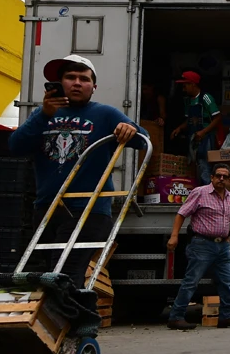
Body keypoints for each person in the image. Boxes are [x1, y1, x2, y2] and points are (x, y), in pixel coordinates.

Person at [9, 54, 149, 284]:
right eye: (70, 77)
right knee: (53, 272)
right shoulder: (41, 114)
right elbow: (15, 147)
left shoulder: (105, 114)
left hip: (89, 208)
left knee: (65, 270)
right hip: (48, 206)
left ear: (93, 87)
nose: (76, 83)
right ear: (60, 83)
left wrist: (129, 128)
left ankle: (75, 318)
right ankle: (79, 316)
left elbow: (144, 139)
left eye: (83, 79)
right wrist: (44, 114)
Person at [166, 163, 230, 330]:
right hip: (202, 244)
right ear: (212, 177)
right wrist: (174, 236)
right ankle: (176, 317)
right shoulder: (200, 193)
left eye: (225, 176)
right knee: (191, 281)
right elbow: (182, 213)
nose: (221, 179)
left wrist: (228, 239)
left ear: (229, 180)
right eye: (218, 175)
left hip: (223, 246)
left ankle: (226, 317)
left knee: (227, 281)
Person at [170, 71, 222, 186]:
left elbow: (217, 118)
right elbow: (189, 120)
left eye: (185, 85)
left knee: (205, 166)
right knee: (194, 166)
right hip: (193, 138)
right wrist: (179, 128)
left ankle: (209, 194)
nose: (183, 89)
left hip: (206, 138)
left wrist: (203, 132)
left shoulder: (206, 98)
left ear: (192, 84)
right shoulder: (187, 101)